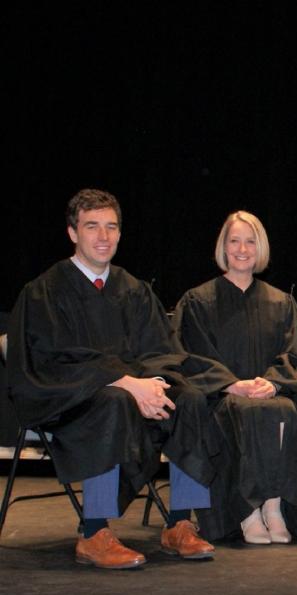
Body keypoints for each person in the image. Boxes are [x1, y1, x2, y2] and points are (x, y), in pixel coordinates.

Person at [7, 189, 216, 568]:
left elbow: (159, 351)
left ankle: (181, 523)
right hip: (67, 400)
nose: (103, 237)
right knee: (113, 400)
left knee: (189, 398)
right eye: (92, 227)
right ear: (73, 233)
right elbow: (52, 360)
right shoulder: (44, 292)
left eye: (111, 227)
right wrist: (125, 383)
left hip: (130, 394)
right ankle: (93, 532)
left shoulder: (134, 290)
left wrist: (148, 385)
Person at [173, 211, 297, 545]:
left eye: (250, 241)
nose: (242, 249)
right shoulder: (198, 301)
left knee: (282, 408)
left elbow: (296, 355)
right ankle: (248, 510)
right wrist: (231, 384)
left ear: (261, 248)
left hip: (269, 395)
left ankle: (273, 506)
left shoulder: (280, 302)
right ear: (223, 247)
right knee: (251, 410)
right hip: (219, 400)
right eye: (234, 240)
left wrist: (273, 381)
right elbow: (189, 356)